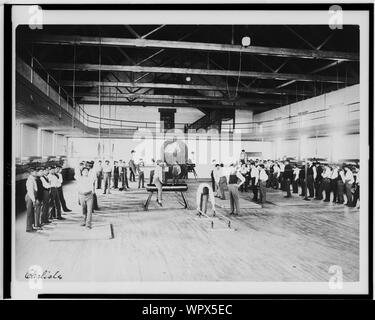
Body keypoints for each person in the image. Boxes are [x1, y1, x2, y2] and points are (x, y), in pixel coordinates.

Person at [25, 168, 39, 232]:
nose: (36, 173)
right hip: (30, 196)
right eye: (34, 172)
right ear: (31, 173)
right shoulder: (30, 180)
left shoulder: (33, 179)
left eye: (36, 172)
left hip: (32, 196)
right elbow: (30, 191)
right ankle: (28, 228)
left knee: (32, 212)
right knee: (29, 212)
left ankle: (31, 226)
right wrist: (33, 200)